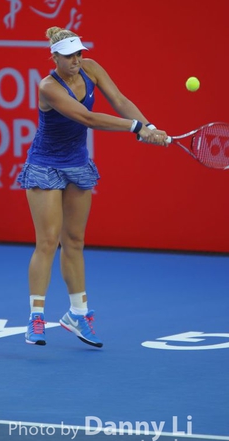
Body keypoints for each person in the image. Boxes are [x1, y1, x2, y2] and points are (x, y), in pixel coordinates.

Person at [17, 26, 168, 348]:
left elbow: (120, 100)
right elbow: (87, 119)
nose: (75, 60)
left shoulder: (91, 68)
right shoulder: (48, 87)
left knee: (74, 240)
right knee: (48, 241)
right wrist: (136, 128)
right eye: (68, 56)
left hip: (77, 164)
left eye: (78, 54)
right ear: (54, 57)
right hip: (45, 166)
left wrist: (150, 127)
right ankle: (36, 318)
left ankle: (78, 314)